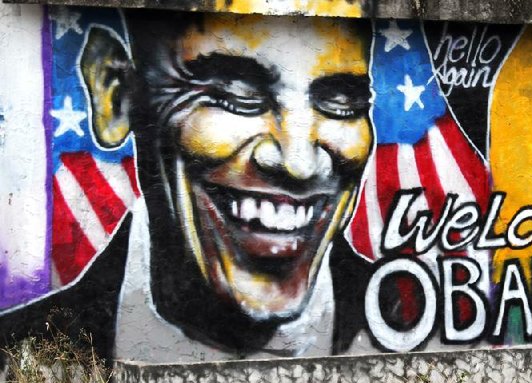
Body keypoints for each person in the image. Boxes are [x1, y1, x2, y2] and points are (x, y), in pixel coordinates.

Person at [0, 11, 378, 362]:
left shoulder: (409, 321)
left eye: (342, 103)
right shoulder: (18, 359)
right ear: (116, 96)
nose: (299, 163)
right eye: (235, 96)